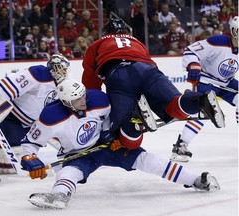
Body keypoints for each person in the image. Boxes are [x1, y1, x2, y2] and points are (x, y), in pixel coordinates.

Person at [20, 78, 220, 210]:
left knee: (146, 159)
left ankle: (195, 179)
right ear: (66, 103)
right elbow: (30, 143)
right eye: (77, 99)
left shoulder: (97, 99)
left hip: (106, 145)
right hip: (78, 154)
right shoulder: (50, 117)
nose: (84, 99)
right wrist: (31, 159)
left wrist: (114, 136)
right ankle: (59, 196)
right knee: (68, 173)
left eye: (83, 94)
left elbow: (112, 119)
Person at [81, 17, 225, 151]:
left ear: (106, 32)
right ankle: (200, 101)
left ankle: (134, 118)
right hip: (148, 70)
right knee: (174, 106)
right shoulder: (137, 42)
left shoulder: (97, 44)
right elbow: (147, 62)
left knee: (126, 137)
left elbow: (90, 81)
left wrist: (96, 108)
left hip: (119, 74)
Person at [0, 54, 71, 174]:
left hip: (30, 125)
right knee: (15, 158)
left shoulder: (60, 85)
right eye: (59, 68)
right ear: (52, 67)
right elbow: (5, 88)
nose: (62, 72)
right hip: (11, 119)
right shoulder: (40, 73)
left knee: (25, 156)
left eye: (64, 69)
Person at [170, 16, 238, 162]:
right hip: (206, 81)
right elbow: (190, 51)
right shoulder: (217, 42)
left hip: (226, 83)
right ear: (233, 31)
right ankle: (181, 145)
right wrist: (193, 65)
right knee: (205, 111)